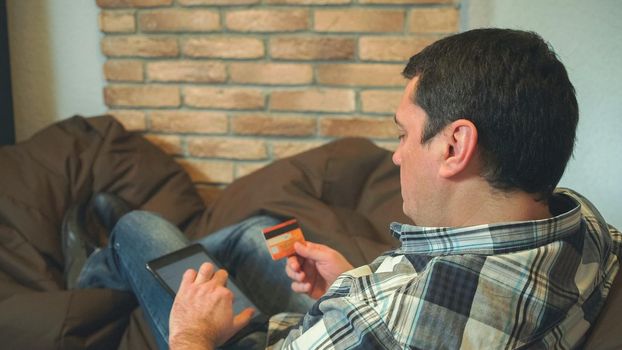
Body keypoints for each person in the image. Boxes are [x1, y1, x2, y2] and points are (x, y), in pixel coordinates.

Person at [73, 28, 620, 349]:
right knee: (256, 233)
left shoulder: (387, 321)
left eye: (403, 133)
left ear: (455, 146)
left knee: (138, 229)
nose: (396, 154)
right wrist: (354, 281)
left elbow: (390, 322)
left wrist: (191, 335)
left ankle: (96, 266)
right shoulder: (590, 229)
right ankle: (116, 263)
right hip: (338, 311)